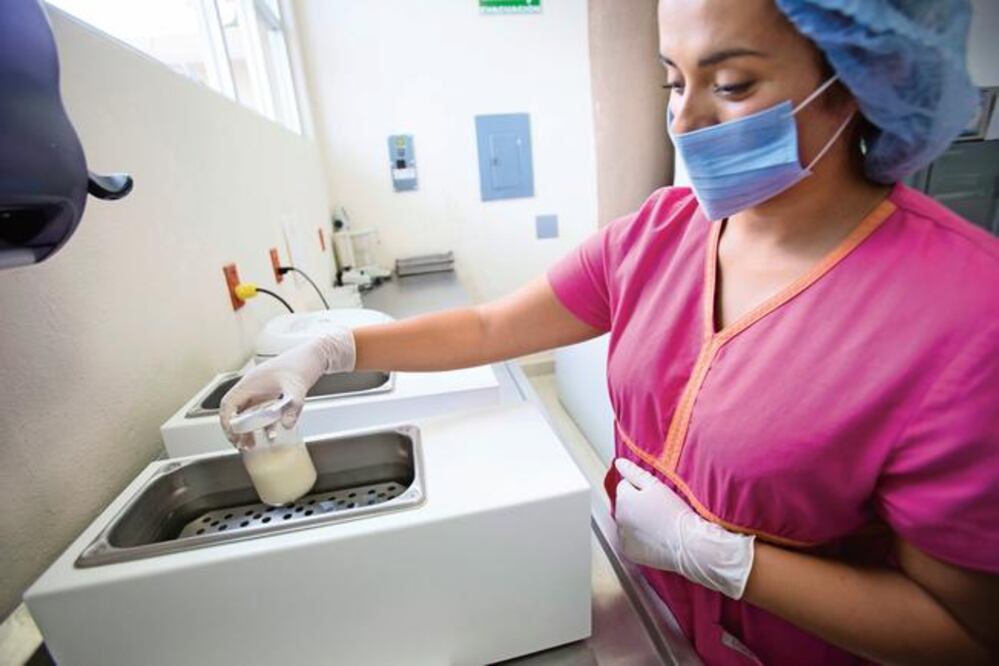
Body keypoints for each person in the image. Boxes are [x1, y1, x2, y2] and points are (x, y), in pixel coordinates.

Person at [220, 1, 999, 662]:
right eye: (671, 80)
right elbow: (490, 326)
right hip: (655, 622)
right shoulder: (662, 233)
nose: (684, 119)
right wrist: (332, 351)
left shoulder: (964, 312)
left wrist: (725, 560)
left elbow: (962, 634)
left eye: (730, 84)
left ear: (858, 84)